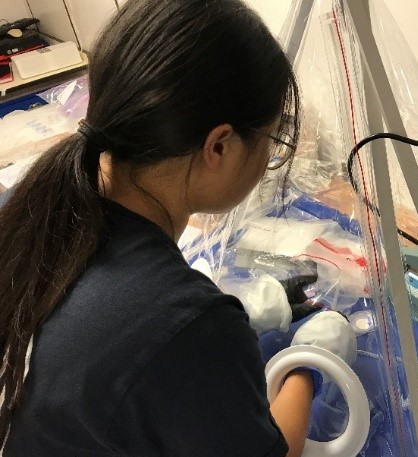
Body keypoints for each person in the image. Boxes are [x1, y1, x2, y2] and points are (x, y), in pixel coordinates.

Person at [0, 1, 356, 455]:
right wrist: (309, 366)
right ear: (219, 146)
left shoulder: (33, 211)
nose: (269, 159)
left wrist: (227, 319)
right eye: (273, 140)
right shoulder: (183, 326)